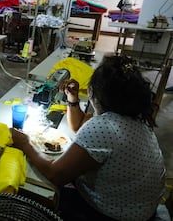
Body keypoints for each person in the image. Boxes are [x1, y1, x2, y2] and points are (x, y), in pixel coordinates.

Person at [12, 55, 166, 220]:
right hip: (140, 209)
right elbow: (78, 126)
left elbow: (55, 174)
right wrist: (72, 99)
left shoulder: (106, 127)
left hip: (109, 215)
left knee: (40, 193)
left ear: (96, 92)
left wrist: (25, 143)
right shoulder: (131, 115)